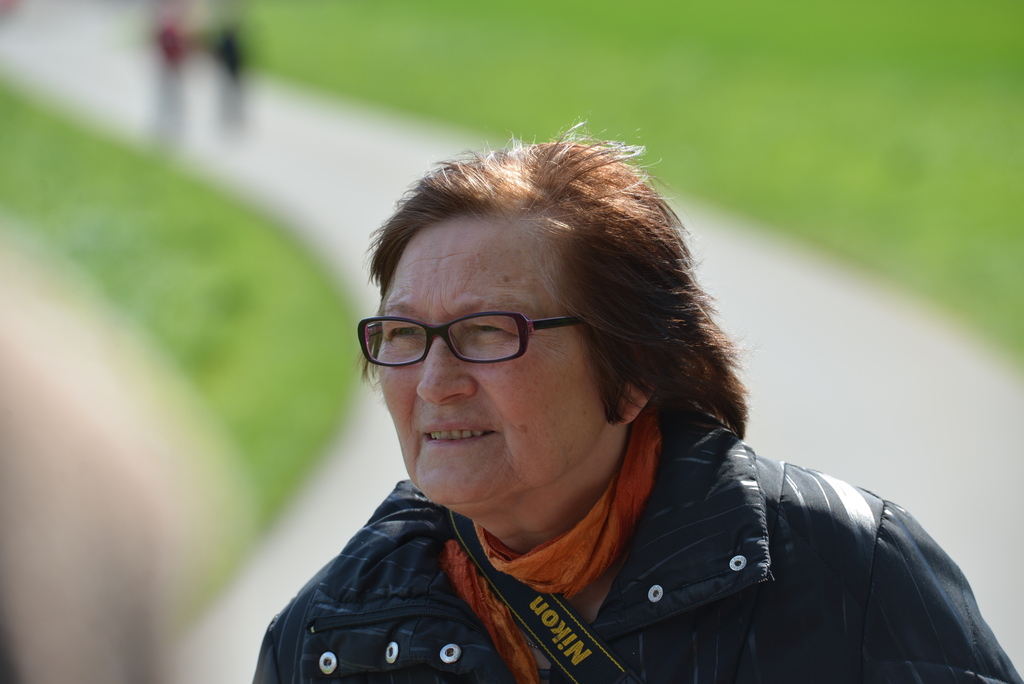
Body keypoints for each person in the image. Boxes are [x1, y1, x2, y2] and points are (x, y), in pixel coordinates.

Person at [253, 136, 1021, 683]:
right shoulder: (326, 638)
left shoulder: (850, 572)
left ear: (633, 371)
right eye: (403, 335)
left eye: (487, 332)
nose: (432, 382)